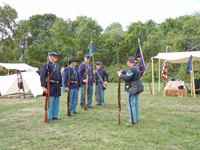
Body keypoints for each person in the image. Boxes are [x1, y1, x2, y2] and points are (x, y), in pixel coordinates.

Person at [117, 56, 140, 125]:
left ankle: (132, 121)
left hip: (131, 89)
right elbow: (128, 72)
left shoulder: (132, 69)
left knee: (130, 104)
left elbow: (128, 78)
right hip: (137, 88)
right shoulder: (136, 68)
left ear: (128, 62)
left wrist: (120, 75)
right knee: (135, 104)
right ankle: (136, 118)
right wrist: (122, 71)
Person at [40, 52, 62, 123]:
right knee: (50, 101)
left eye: (56, 57)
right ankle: (49, 117)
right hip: (50, 85)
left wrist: (61, 85)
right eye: (55, 57)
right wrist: (43, 87)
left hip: (57, 85)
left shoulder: (57, 65)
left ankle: (55, 115)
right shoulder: (46, 65)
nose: (56, 58)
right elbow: (42, 76)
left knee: (56, 101)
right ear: (51, 57)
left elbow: (59, 76)